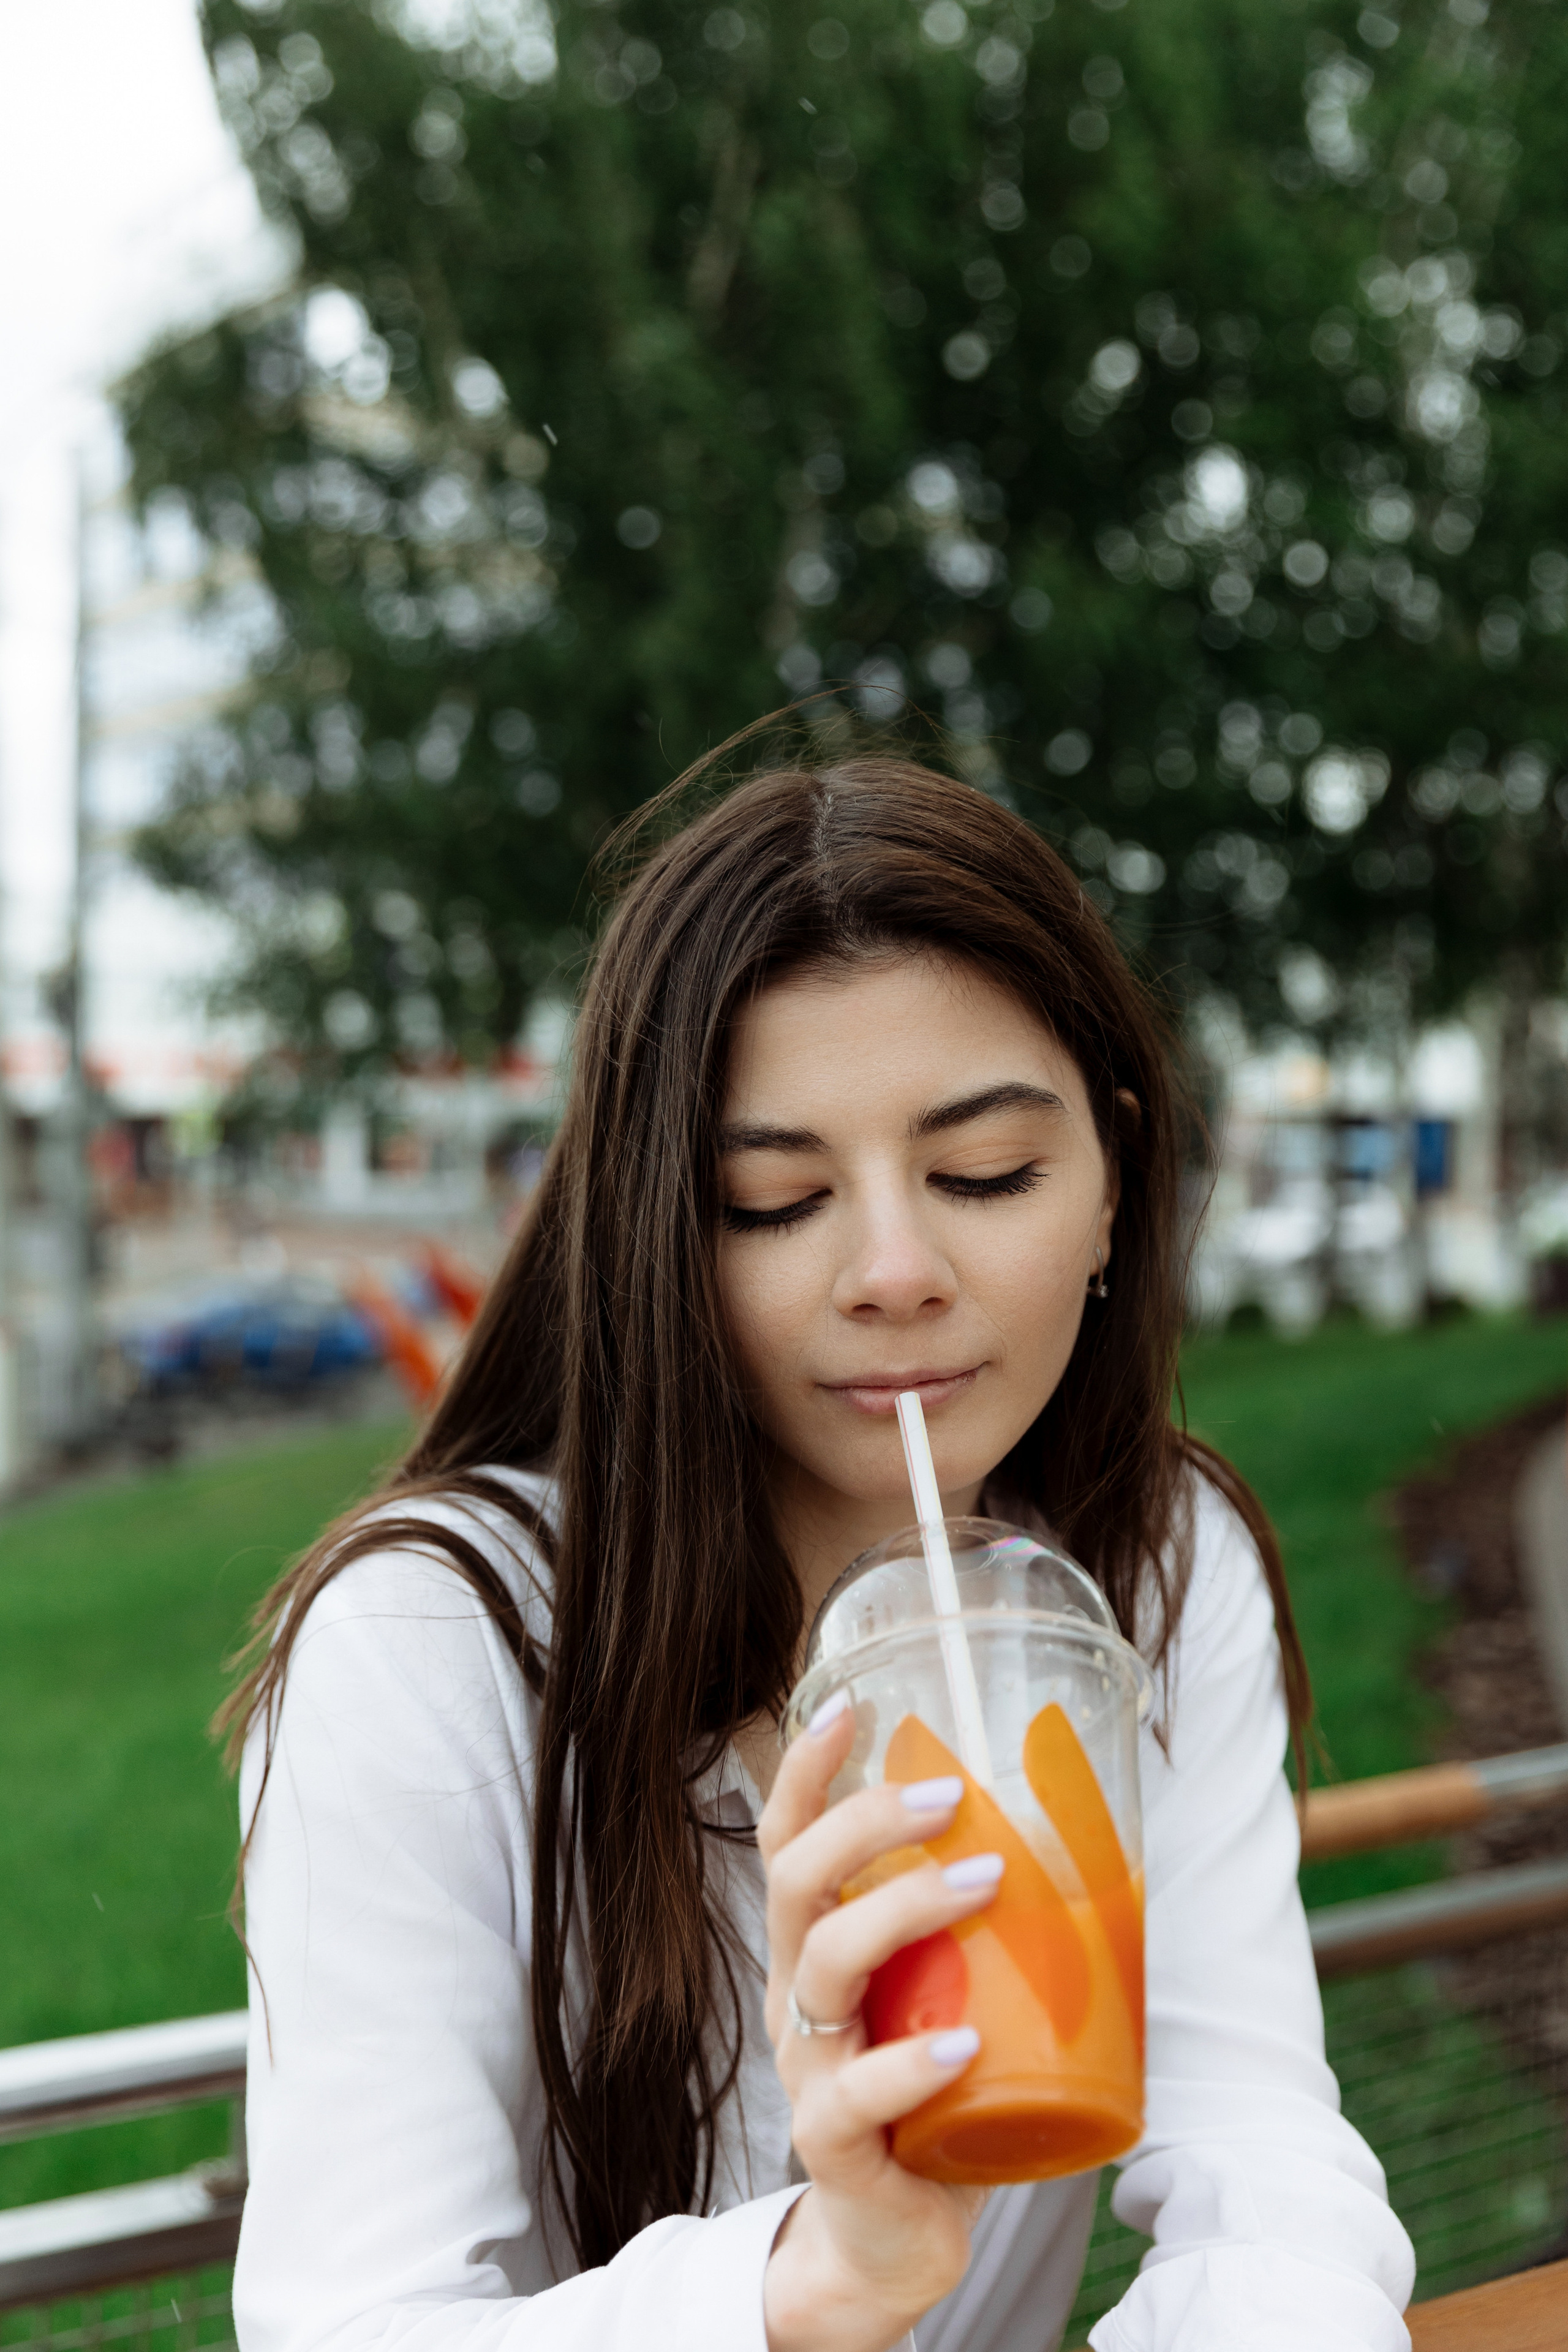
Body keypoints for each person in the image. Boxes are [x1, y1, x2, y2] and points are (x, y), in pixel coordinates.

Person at [224, 749, 1415, 2352]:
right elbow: (351, 2326)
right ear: (662, 1237)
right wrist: (816, 2283)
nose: (896, 1269)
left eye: (985, 1174)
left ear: (1118, 1180)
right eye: (776, 1200)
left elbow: (1263, 2171)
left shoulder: (1154, 1564)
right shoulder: (428, 1647)